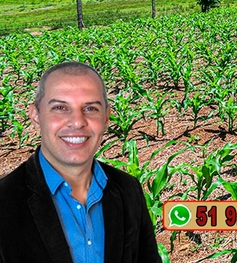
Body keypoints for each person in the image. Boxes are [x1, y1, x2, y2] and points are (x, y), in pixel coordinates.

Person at [0, 61, 161, 263]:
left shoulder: (128, 190)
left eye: (91, 108)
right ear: (35, 115)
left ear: (106, 117)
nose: (77, 122)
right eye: (60, 107)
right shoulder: (5, 202)